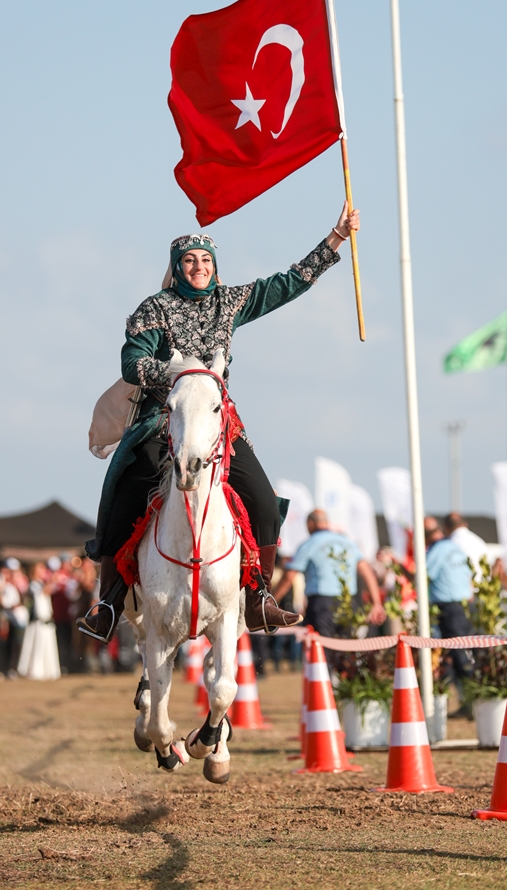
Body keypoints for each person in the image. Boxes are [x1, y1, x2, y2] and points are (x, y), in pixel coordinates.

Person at [80, 205, 360, 643]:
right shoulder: (155, 308)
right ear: (176, 267)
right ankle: (110, 599)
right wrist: (175, 375)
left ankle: (259, 597)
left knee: (265, 504)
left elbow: (286, 284)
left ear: (215, 265)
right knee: (125, 487)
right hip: (163, 418)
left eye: (206, 259)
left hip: (218, 424)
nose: (199, 266)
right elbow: (131, 363)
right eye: (190, 260)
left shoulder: (228, 301)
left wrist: (336, 238)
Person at [273, 509, 385, 638]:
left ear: (310, 524)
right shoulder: (348, 542)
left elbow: (289, 576)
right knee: (346, 651)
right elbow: (367, 573)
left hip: (322, 605)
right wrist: (377, 603)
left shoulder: (309, 544)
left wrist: (273, 601)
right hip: (348, 602)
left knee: (320, 651)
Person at [424, 515, 474, 716]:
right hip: (463, 606)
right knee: (461, 654)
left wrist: (399, 568)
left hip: (449, 609)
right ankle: (468, 702)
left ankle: (470, 703)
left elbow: (423, 576)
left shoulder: (438, 550)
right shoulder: (455, 548)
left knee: (458, 656)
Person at [18, 564, 61, 680]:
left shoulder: (40, 584)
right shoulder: (33, 585)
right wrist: (52, 580)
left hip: (46, 621)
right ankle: (35, 671)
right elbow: (42, 593)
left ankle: (48, 671)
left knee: (47, 648)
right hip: (37, 621)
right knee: (36, 648)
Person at [444, 512, 489, 580]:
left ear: (446, 528)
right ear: (465, 524)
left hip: (464, 587)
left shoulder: (450, 544)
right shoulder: (480, 541)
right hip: (483, 587)